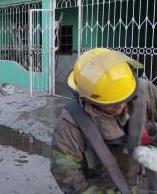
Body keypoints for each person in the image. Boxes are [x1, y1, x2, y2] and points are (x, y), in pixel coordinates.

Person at [50, 48, 157, 193]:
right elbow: (66, 173)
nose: (121, 106)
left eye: (125, 99)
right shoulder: (70, 124)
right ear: (88, 97)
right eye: (111, 103)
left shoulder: (142, 91)